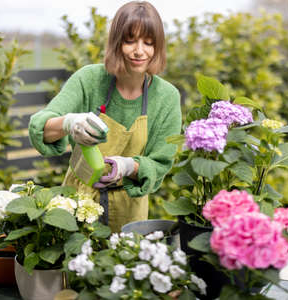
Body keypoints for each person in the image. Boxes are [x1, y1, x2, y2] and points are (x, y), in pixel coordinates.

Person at [28, 1, 182, 232]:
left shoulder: (166, 97)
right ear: (117, 42)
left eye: (148, 42)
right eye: (130, 40)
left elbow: (161, 162)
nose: (139, 51)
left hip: (129, 212)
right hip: (76, 203)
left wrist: (129, 166)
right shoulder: (89, 80)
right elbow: (41, 127)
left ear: (157, 46)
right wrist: (69, 123)